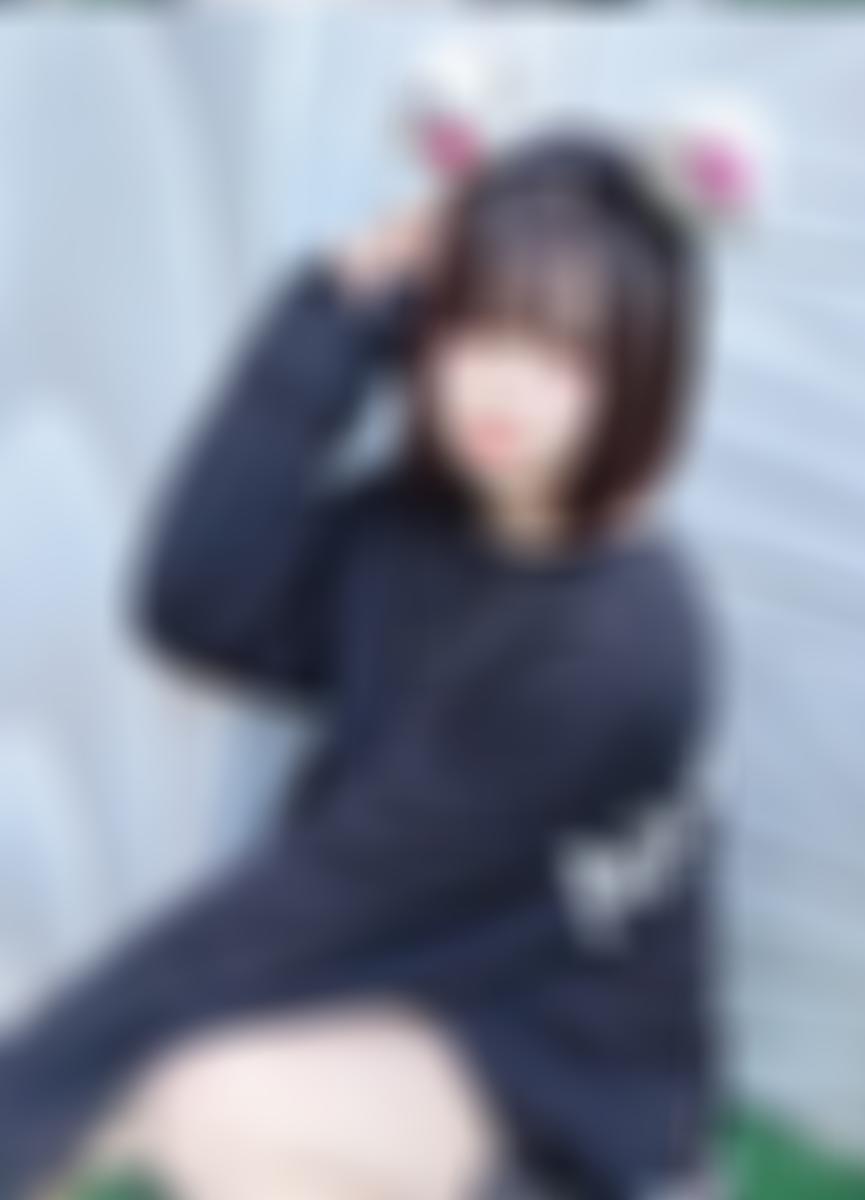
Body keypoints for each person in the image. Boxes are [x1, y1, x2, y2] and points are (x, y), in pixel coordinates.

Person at [0, 129, 721, 1200]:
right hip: (416, 976)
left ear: (638, 371)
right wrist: (332, 314)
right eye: (477, 327)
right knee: (99, 1053)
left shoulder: (615, 656)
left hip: (553, 1093)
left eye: (561, 356)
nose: (502, 387)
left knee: (205, 1098)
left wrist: (23, 1096)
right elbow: (201, 602)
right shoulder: (422, 528)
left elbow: (313, 905)